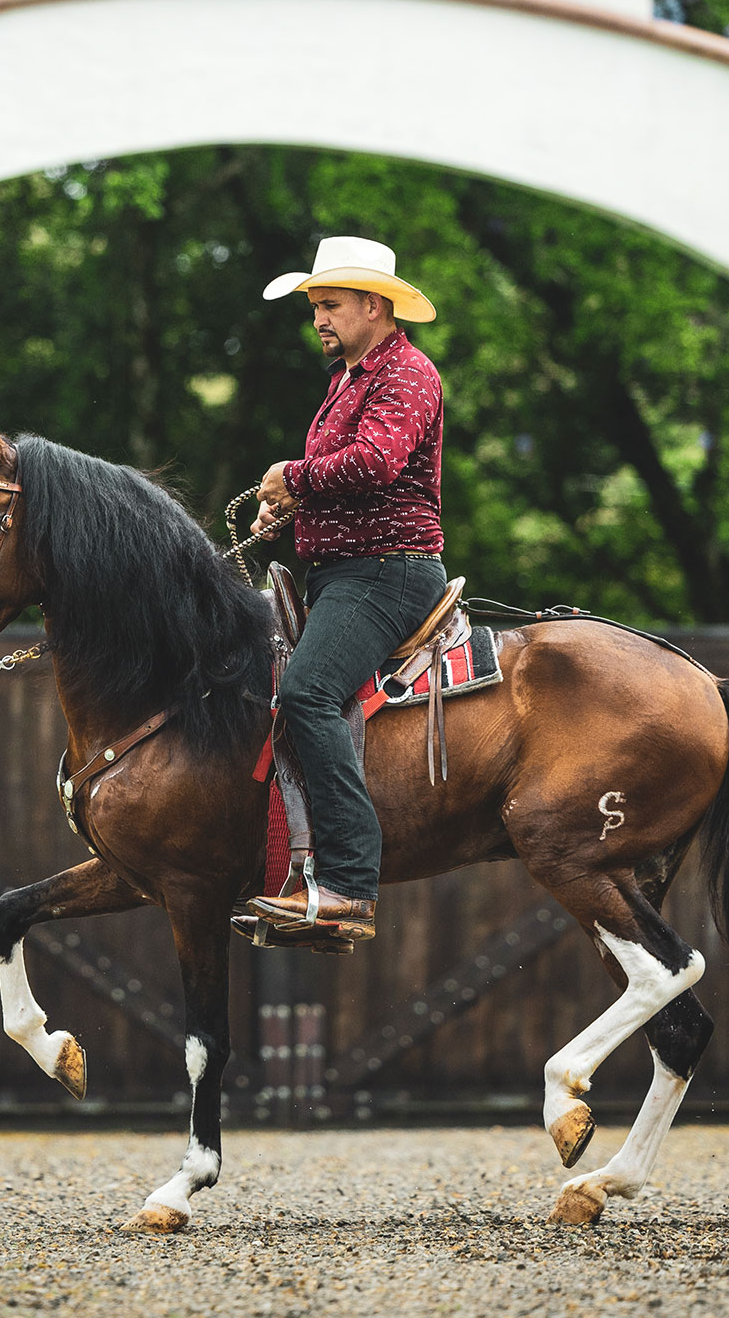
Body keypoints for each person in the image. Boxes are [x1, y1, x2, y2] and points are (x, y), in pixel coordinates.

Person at [242, 235, 447, 946]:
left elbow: (379, 462)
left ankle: (349, 885)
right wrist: (290, 505)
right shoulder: (347, 378)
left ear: (374, 304)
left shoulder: (409, 373)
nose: (319, 319)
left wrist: (291, 478)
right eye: (315, 307)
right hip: (344, 572)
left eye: (329, 305)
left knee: (306, 693)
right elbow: (342, 473)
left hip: (387, 572)